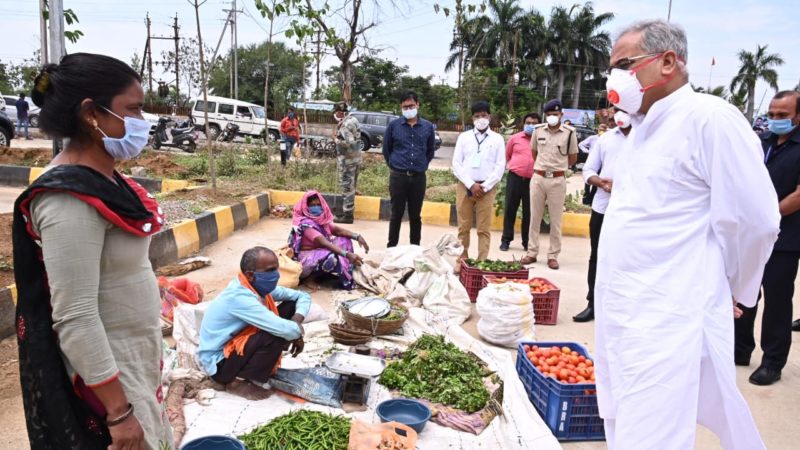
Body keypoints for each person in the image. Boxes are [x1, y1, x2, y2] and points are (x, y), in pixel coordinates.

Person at [595, 20, 779, 449]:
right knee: (622, 421)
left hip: (667, 319)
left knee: (653, 433)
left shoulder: (710, 119)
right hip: (625, 311)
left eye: (625, 64)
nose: (615, 78)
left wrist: (737, 286)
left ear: (668, 63)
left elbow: (756, 220)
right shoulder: (641, 130)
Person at [12, 53, 172, 449]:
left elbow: (114, 268)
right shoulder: (68, 199)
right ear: (90, 114)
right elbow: (76, 316)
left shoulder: (109, 181)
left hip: (136, 359)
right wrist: (119, 412)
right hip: (109, 382)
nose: (142, 121)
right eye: (132, 109)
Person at [734, 90, 800, 385]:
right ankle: (739, 348)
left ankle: (772, 361)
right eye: (772, 115)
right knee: (744, 292)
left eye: (782, 116)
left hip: (784, 237)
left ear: (798, 116)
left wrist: (766, 216)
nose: (775, 120)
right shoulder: (760, 143)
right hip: (749, 236)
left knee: (777, 299)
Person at [198, 247, 311, 400]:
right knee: (275, 333)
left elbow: (302, 296)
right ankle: (236, 383)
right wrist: (295, 333)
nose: (276, 275)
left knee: (289, 307)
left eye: (276, 268)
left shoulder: (259, 289)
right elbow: (285, 330)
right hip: (220, 365)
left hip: (236, 348)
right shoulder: (239, 297)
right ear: (250, 275)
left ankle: (261, 361)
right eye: (271, 270)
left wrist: (296, 320)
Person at [573, 110, 631, 323]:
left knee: (627, 259)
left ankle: (620, 307)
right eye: (617, 110)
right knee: (597, 256)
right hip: (603, 208)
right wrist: (601, 183)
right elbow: (588, 170)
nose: (620, 114)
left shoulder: (646, 139)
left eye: (625, 110)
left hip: (631, 211)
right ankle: (592, 304)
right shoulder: (605, 139)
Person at [520, 99, 578, 270]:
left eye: (556, 114)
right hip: (538, 178)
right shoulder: (538, 131)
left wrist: (558, 168)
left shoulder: (569, 133)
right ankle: (532, 252)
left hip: (557, 180)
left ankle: (553, 255)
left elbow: (573, 157)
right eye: (550, 114)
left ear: (561, 115)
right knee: (534, 217)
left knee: (555, 220)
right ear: (546, 115)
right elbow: (534, 153)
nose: (553, 117)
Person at [451, 101, 505, 261]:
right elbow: (456, 164)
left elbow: (500, 165)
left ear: (489, 116)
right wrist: (471, 184)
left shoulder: (497, 139)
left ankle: (481, 263)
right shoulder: (464, 137)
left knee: (483, 229)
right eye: (477, 116)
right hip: (465, 186)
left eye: (484, 115)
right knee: (463, 227)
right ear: (472, 118)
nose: (481, 118)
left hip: (487, 189)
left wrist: (485, 186)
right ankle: (462, 260)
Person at [383, 91, 436, 247]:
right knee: (396, 215)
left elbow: (430, 150)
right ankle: (391, 248)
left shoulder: (427, 126)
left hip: (418, 178)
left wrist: (423, 165)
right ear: (401, 107)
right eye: (405, 107)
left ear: (417, 105)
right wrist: (394, 165)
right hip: (398, 176)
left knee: (415, 216)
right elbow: (387, 150)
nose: (408, 109)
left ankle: (415, 248)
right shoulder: (393, 126)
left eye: (411, 106)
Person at [288, 190, 370, 290]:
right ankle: (309, 278)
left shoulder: (320, 220)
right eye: (312, 205)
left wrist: (357, 236)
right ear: (306, 206)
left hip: (318, 251)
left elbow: (337, 231)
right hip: (305, 258)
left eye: (318, 204)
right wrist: (347, 254)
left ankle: (341, 272)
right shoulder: (305, 224)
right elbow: (323, 242)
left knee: (344, 240)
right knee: (332, 256)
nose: (316, 207)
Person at [500, 112, 540, 252]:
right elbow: (508, 155)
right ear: (524, 124)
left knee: (529, 213)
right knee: (510, 209)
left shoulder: (542, 140)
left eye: (534, 123)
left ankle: (526, 242)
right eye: (528, 123)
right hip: (515, 178)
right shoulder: (515, 138)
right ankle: (506, 240)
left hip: (534, 181)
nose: (531, 125)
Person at [333, 102, 361, 223]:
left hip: (347, 161)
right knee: (352, 186)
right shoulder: (354, 120)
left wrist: (336, 140)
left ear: (340, 112)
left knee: (347, 187)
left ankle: (348, 215)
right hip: (355, 159)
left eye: (336, 112)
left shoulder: (345, 125)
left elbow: (349, 143)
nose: (335, 114)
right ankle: (348, 211)